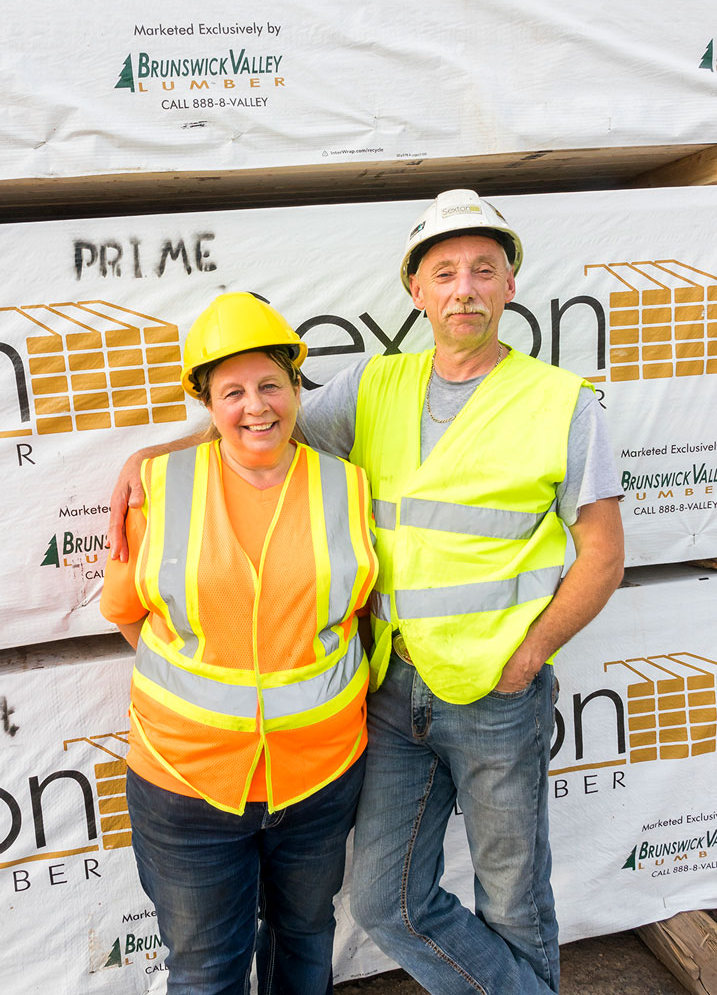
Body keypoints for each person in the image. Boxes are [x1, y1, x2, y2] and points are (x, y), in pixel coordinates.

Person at [110, 190, 624, 994]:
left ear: (509, 284)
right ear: (415, 291)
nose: (464, 289)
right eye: (443, 272)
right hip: (389, 692)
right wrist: (154, 456)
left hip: (497, 695)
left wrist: (528, 657)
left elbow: (601, 555)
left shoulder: (563, 404)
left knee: (514, 899)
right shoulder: (373, 387)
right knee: (386, 903)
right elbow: (258, 423)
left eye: (482, 270)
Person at [100, 292, 378, 995]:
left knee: (305, 946)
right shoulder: (157, 486)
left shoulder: (349, 487)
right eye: (232, 392)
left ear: (295, 390)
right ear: (206, 402)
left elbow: (361, 616)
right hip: (185, 783)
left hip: (319, 777)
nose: (255, 407)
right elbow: (127, 614)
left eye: (270, 386)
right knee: (204, 972)